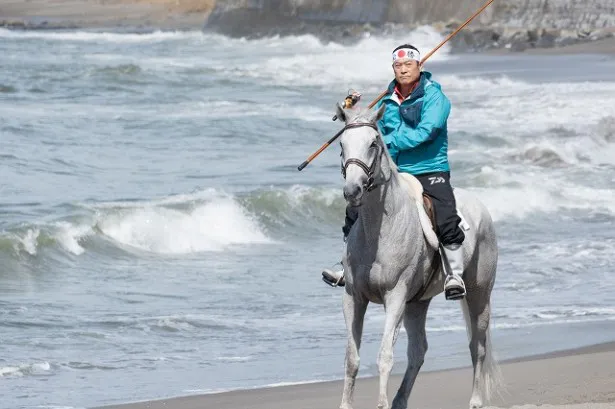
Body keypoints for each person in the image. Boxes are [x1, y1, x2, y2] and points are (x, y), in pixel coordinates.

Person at [321, 43, 466, 300]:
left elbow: (426, 132)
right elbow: (368, 133)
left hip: (429, 168)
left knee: (444, 210)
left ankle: (454, 274)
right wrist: (352, 110)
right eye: (398, 66)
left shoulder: (435, 97)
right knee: (356, 205)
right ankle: (347, 266)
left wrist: (390, 143)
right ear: (393, 69)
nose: (403, 70)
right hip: (395, 170)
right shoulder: (387, 100)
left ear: (419, 66)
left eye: (408, 65)